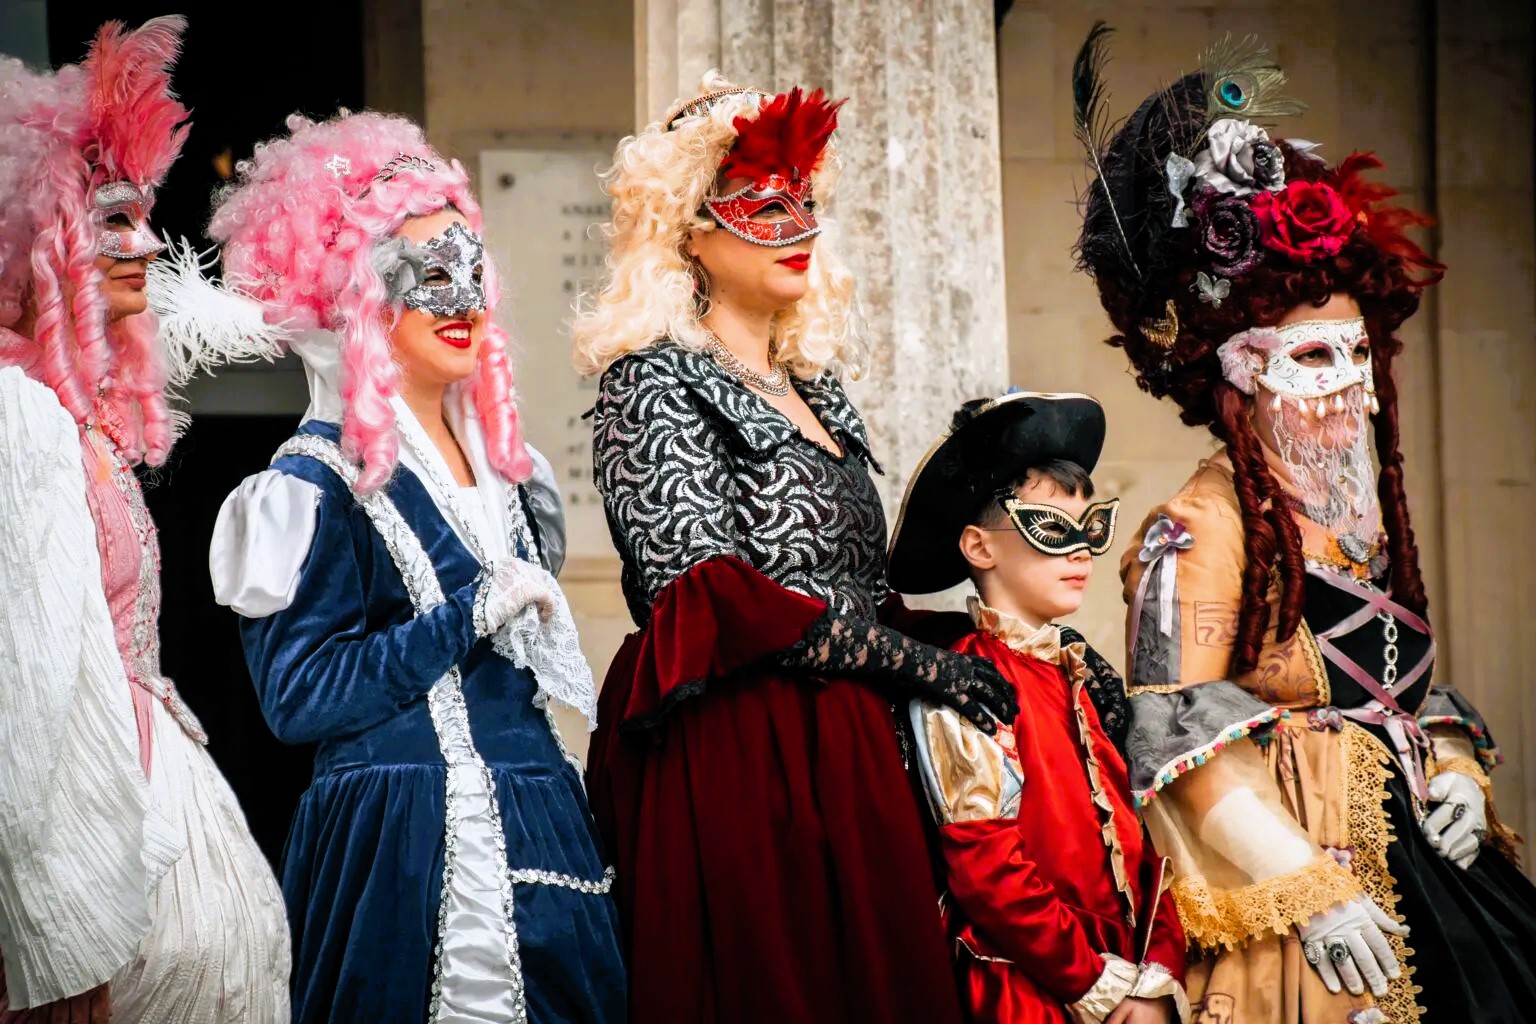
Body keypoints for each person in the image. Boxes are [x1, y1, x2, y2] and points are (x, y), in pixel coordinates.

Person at [1071, 23, 1536, 1024]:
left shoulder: (1354, 515)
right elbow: (1171, 732)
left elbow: (1396, 686)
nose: (1352, 388)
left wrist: (1457, 768)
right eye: (1316, 358)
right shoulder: (1197, 526)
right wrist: (1307, 886)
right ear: (1242, 372)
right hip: (1300, 878)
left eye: (1359, 356)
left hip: (1425, 858)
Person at [573, 74, 1017, 1023]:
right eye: (763, 205)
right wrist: (911, 661)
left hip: (851, 746)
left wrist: (989, 650)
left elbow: (858, 592)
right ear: (691, 231)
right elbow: (707, 593)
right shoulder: (651, 383)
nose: (797, 226)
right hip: (741, 751)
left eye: (806, 201)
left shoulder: (816, 388)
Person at [206, 111, 624, 1024]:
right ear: (357, 292)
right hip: (406, 851)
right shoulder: (311, 486)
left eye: (474, 270)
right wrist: (463, 615)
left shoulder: (514, 474)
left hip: (545, 835)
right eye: (430, 275)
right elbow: (299, 699)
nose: (464, 300)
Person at [0, 16, 290, 1023]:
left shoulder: (74, 412)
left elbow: (246, 318)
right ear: (39, 240)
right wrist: (51, 934)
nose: (149, 245)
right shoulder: (18, 420)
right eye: (111, 222)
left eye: (145, 217)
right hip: (86, 850)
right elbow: (26, 698)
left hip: (153, 786)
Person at [888, 391, 1188, 1024]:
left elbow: (1143, 843)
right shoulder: (970, 682)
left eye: (1091, 529)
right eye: (1051, 528)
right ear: (980, 547)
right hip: (1029, 993)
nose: (1080, 552)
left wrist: (1156, 976)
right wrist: (1095, 983)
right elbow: (987, 867)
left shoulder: (1082, 677)